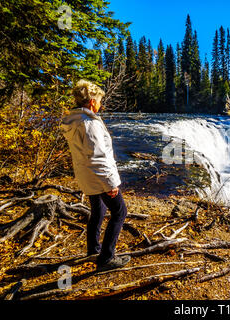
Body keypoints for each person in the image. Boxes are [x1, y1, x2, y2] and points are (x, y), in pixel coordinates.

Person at [60, 79, 130, 271]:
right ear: (92, 102)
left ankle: (93, 250)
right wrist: (111, 184)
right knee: (120, 212)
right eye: (99, 100)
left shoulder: (74, 121)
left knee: (98, 211)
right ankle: (106, 258)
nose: (101, 104)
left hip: (86, 175)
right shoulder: (90, 124)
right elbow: (99, 157)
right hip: (99, 177)